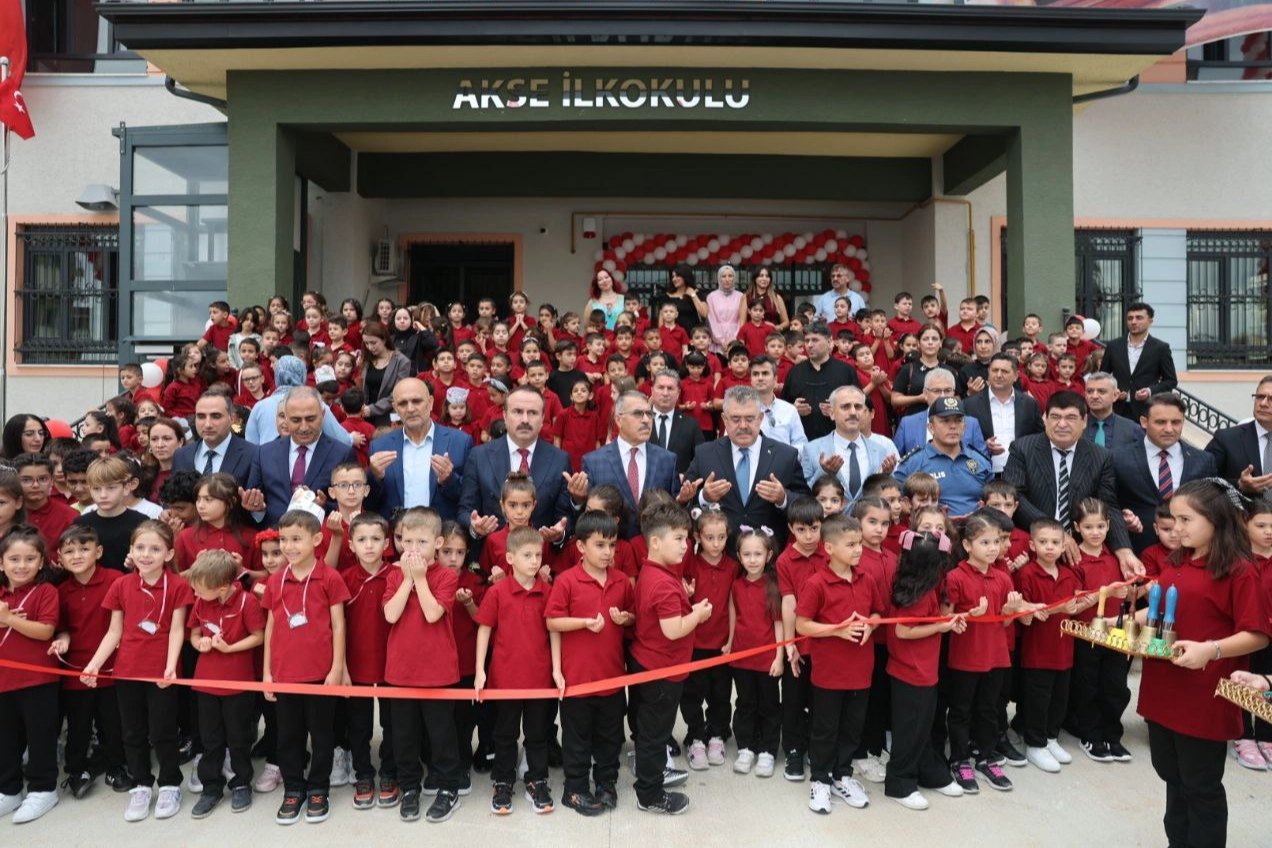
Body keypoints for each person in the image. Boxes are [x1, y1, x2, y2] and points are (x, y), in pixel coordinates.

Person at [1136, 479, 1270, 848]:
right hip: (1164, 685)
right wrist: (1134, 619)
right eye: (1172, 519)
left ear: (1216, 519)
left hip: (1204, 692)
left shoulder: (1239, 569)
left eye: (1185, 520)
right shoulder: (1178, 559)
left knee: (1200, 785)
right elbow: (1172, 607)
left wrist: (1210, 650)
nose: (1175, 528)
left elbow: (1257, 634)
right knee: (1171, 774)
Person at [80, 521, 193, 822]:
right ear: (131, 550)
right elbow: (114, 632)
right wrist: (94, 664)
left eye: (155, 549)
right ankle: (141, 784)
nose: (146, 554)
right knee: (131, 732)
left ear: (169, 554)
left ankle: (169, 784)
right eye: (140, 547)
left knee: (163, 731)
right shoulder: (121, 585)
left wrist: (171, 666)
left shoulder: (178, 585)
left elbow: (177, 630)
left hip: (161, 673)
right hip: (127, 671)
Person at [259, 509, 350, 826]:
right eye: (284, 540)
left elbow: (338, 625)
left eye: (296, 539)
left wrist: (336, 668)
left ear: (316, 539)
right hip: (285, 675)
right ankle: (294, 788)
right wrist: (267, 673)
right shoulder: (275, 580)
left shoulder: (330, 577)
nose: (288, 546)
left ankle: (318, 788)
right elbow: (270, 627)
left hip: (320, 675)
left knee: (322, 735)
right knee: (288, 736)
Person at [545, 510, 635, 815]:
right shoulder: (567, 581)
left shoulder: (621, 581)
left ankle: (607, 783)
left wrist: (625, 618)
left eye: (612, 545)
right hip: (577, 680)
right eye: (600, 545)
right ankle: (575, 788)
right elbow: (552, 622)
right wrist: (584, 623)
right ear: (581, 546)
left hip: (612, 678)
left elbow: (632, 617)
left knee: (610, 737)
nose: (608, 552)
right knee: (577, 738)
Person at [795, 513, 883, 814]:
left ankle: (842, 776)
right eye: (851, 544)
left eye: (859, 543)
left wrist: (871, 625)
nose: (858, 550)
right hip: (829, 674)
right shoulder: (817, 583)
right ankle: (820, 780)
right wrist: (837, 630)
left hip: (861, 671)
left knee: (852, 728)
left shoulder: (866, 579)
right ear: (829, 548)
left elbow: (877, 613)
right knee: (825, 729)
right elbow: (802, 624)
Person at [383, 507, 465, 824]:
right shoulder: (394, 575)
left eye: (421, 541)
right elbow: (391, 614)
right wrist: (407, 580)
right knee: (404, 736)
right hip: (400, 671)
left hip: (438, 672)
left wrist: (419, 578)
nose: (413, 549)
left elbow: (433, 614)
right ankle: (409, 788)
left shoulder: (446, 576)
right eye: (407, 541)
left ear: (437, 543)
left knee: (441, 735)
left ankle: (448, 788)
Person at [1003, 391, 1141, 578]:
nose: (1062, 424)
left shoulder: (1100, 456)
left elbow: (1108, 505)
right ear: (1045, 418)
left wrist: (1124, 551)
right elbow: (1014, 497)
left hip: (1080, 550)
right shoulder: (1022, 449)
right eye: (1055, 417)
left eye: (1070, 418)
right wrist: (1055, 532)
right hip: (1032, 548)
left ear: (1084, 421)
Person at [474, 525, 559, 816]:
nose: (534, 561)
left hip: (539, 680)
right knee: (505, 734)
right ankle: (503, 782)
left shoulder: (547, 591)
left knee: (538, 734)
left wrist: (557, 670)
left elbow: (554, 631)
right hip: (505, 680)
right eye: (527, 555)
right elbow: (484, 629)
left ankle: (537, 780)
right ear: (510, 558)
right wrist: (480, 671)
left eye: (538, 555)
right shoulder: (497, 592)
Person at [943, 513, 1028, 794]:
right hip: (965, 658)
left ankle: (986, 756)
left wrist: (1009, 611)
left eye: (997, 542)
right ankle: (959, 759)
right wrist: (969, 615)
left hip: (996, 657)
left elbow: (1004, 623)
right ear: (967, 545)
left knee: (989, 710)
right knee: (961, 710)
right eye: (985, 542)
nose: (993, 548)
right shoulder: (955, 577)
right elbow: (945, 619)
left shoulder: (1003, 578)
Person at [630, 502, 705, 815]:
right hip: (661, 670)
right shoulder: (662, 583)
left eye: (686, 538)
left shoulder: (653, 572)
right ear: (655, 542)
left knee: (649, 729)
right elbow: (673, 630)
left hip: (648, 662)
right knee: (655, 733)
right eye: (678, 538)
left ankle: (653, 770)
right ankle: (649, 794)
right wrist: (697, 613)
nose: (686, 546)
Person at [885, 529, 965, 811]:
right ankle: (900, 783)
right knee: (910, 731)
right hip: (911, 671)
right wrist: (941, 627)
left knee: (923, 728)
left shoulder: (925, 588)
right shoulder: (917, 594)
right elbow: (903, 631)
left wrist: (948, 620)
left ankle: (929, 772)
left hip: (924, 669)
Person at [50, 524, 129, 798]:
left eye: (84, 549)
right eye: (69, 551)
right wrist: (62, 640)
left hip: (112, 668)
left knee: (112, 722)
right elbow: (62, 628)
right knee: (79, 724)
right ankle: (76, 771)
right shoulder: (61, 590)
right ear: (59, 558)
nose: (77, 556)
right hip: (76, 671)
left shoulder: (116, 580)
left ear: (99, 551)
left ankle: (116, 767)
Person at [186, 550, 266, 818]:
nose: (195, 594)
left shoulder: (247, 602)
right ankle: (211, 787)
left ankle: (241, 783)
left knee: (238, 737)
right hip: (205, 683)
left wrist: (230, 648)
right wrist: (200, 643)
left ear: (222, 588)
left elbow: (258, 636)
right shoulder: (201, 602)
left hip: (238, 684)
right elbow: (194, 633)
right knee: (210, 738)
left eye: (200, 590)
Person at [686, 386, 809, 551]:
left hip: (769, 557)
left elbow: (807, 504)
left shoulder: (785, 455)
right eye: (736, 419)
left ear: (761, 418)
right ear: (724, 419)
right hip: (719, 556)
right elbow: (683, 503)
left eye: (750, 419)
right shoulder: (704, 454)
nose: (743, 426)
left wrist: (783, 499)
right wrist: (704, 498)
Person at [332, 512, 395, 809]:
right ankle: (363, 774)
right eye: (361, 539)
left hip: (392, 666)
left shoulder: (397, 576)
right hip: (355, 667)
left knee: (393, 724)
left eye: (375, 539)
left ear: (387, 543)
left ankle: (390, 773)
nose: (369, 545)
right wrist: (342, 668)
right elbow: (337, 626)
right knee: (358, 726)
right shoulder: (343, 579)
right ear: (351, 545)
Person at [0, 527, 62, 823]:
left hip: (39, 680)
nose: (21, 565)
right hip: (3, 680)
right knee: (5, 738)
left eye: (29, 559)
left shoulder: (46, 591)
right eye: (14, 559)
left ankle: (43, 788)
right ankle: (8, 789)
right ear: (1, 563)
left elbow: (45, 631)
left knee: (40, 736)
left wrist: (7, 619)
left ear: (41, 562)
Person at [457, 386, 575, 540]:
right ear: (505, 416)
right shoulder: (479, 456)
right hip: (492, 550)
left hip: (540, 551)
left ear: (542, 419)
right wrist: (475, 527)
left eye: (532, 413)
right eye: (518, 412)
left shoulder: (560, 460)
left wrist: (560, 534)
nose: (525, 420)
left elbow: (565, 516)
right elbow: (465, 511)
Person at [1013, 518, 1081, 773]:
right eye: (1043, 542)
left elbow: (1075, 606)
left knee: (1059, 698)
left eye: (1055, 542)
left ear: (1064, 546)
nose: (1049, 547)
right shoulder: (1027, 574)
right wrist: (1055, 609)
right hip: (1038, 652)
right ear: (1032, 545)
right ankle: (1035, 743)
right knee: (1037, 700)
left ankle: (1051, 738)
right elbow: (1025, 615)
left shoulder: (1068, 574)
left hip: (1064, 651)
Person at [1070, 498, 1133, 764]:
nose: (1095, 532)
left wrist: (1135, 591)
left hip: (1116, 633)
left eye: (1100, 526)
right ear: (1077, 527)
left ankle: (1112, 735)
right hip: (1086, 634)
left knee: (1116, 687)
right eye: (1088, 527)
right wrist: (1105, 593)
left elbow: (1128, 592)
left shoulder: (1115, 556)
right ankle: (1091, 735)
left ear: (1108, 526)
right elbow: (1074, 602)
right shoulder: (1074, 559)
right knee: (1088, 687)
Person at [1113, 393, 1216, 552]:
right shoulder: (1118, 458)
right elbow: (1108, 503)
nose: (1169, 429)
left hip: (1189, 554)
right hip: (1137, 552)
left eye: (1176, 422)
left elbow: (1211, 508)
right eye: (1160, 422)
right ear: (1144, 422)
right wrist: (1122, 518)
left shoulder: (1203, 460)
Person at [244, 387, 359, 528]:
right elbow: (255, 503)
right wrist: (257, 509)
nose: (304, 427)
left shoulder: (342, 454)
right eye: (296, 420)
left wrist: (323, 507)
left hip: (321, 536)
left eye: (310, 419)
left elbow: (353, 503)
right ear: (286, 419)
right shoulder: (264, 453)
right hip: (274, 536)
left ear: (323, 415)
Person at [679, 509, 738, 771]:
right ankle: (695, 736)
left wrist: (731, 640)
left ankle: (716, 735)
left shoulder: (733, 567)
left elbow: (733, 605)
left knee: (721, 694)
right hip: (694, 644)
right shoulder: (689, 565)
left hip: (721, 644)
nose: (716, 544)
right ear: (697, 537)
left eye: (721, 537)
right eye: (709, 537)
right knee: (691, 694)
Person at [367, 378, 472, 523]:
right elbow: (370, 503)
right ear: (395, 408)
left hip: (442, 533)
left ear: (430, 403)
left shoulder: (460, 441)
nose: (410, 409)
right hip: (397, 533)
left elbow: (469, 498)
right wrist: (374, 477)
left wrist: (449, 479)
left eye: (416, 401)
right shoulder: (380, 446)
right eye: (403, 403)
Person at [578, 391, 680, 538]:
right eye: (638, 414)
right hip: (611, 546)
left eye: (649, 414)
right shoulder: (594, 462)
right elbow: (586, 517)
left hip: (654, 546)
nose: (646, 420)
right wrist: (576, 499)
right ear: (619, 420)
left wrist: (684, 500)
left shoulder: (667, 460)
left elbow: (675, 510)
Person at [726, 524, 783, 778]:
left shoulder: (773, 586)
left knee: (769, 705)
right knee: (745, 703)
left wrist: (779, 657)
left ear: (768, 555)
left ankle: (768, 750)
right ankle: (746, 748)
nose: (752, 560)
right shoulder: (737, 585)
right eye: (747, 554)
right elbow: (733, 614)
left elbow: (779, 623)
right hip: (742, 657)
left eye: (758, 554)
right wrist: (730, 643)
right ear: (739, 556)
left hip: (767, 659)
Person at [895, 398, 992, 519]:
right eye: (945, 421)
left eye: (958, 421)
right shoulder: (913, 463)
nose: (953, 426)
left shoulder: (980, 461)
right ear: (931, 427)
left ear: (965, 426)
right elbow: (896, 502)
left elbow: (994, 500)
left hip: (977, 527)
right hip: (931, 528)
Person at [801, 385, 892, 507]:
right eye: (845, 407)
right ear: (832, 413)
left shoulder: (880, 450)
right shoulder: (812, 449)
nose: (853, 412)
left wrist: (885, 477)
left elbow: (890, 495)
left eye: (858, 407)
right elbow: (804, 495)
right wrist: (824, 472)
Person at [244, 356, 353, 447]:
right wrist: (352, 438)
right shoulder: (315, 403)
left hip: (268, 464)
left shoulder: (260, 406)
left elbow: (251, 447)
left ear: (277, 375)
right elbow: (343, 440)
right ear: (302, 375)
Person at [963, 353, 1043, 476]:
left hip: (1022, 473)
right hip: (983, 473)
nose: (999, 375)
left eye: (1004, 371)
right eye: (995, 370)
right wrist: (983, 446)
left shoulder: (1029, 404)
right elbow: (961, 441)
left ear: (1016, 376)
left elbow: (1039, 437)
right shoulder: (970, 405)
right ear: (988, 372)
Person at [781, 323, 860, 442]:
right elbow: (782, 406)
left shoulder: (846, 371)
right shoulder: (795, 372)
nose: (809, 345)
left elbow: (861, 405)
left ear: (829, 342)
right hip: (801, 442)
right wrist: (793, 408)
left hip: (839, 441)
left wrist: (839, 410)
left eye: (815, 340)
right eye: (807, 341)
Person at [1100, 302, 1178, 420]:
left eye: (1139, 318)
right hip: (1117, 409)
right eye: (1130, 318)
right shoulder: (1113, 346)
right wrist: (1114, 390)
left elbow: (1171, 381)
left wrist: (1149, 391)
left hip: (1146, 410)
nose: (1133, 322)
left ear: (1150, 321)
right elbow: (1102, 376)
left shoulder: (1161, 348)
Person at [73, 456, 150, 574]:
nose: (103, 495)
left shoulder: (141, 522)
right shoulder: (81, 524)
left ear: (126, 488)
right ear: (90, 489)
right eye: (97, 489)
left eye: (111, 488)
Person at [893, 369, 988, 459]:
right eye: (936, 391)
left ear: (954, 393)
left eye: (947, 391)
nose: (942, 396)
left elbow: (983, 462)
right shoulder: (907, 424)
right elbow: (896, 463)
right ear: (925, 394)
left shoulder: (971, 424)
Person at [1204, 374, 1272, 498]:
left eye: (1271, 399)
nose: (1263, 403)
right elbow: (1201, 482)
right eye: (1260, 397)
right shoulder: (1226, 439)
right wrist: (1239, 485)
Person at [172, 394, 259, 488]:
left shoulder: (252, 454)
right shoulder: (181, 455)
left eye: (216, 416)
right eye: (201, 416)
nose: (208, 424)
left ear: (231, 419)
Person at [175, 473, 257, 571]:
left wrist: (241, 571)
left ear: (231, 502)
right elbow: (173, 576)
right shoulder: (185, 536)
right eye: (198, 499)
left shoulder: (251, 536)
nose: (200, 505)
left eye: (208, 499)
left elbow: (266, 575)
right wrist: (196, 570)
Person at [15, 454, 80, 563]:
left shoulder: (70, 516)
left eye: (43, 479)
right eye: (26, 480)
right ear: (16, 481)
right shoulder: (8, 513)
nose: (35, 485)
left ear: (52, 481)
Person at [647, 370, 705, 476]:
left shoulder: (690, 425)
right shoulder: (640, 420)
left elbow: (701, 459)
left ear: (678, 393)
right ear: (652, 391)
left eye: (670, 388)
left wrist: (686, 478)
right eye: (661, 387)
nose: (665, 393)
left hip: (680, 485)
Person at [750, 356, 805, 449]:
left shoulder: (790, 410)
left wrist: (787, 456)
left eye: (765, 373)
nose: (760, 378)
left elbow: (800, 444)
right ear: (751, 380)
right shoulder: (740, 411)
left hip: (785, 457)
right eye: (755, 374)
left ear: (775, 379)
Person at [1083, 372, 1144, 451]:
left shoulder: (1133, 430)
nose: (1094, 396)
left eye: (1102, 391)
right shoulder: (1074, 427)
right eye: (1090, 391)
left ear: (1115, 395)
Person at [705, 265, 744, 354]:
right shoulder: (711, 297)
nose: (727, 279)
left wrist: (734, 339)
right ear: (719, 278)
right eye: (723, 276)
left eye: (730, 276)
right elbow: (711, 320)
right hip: (717, 339)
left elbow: (741, 320)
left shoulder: (741, 296)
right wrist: (721, 340)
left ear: (734, 278)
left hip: (735, 338)